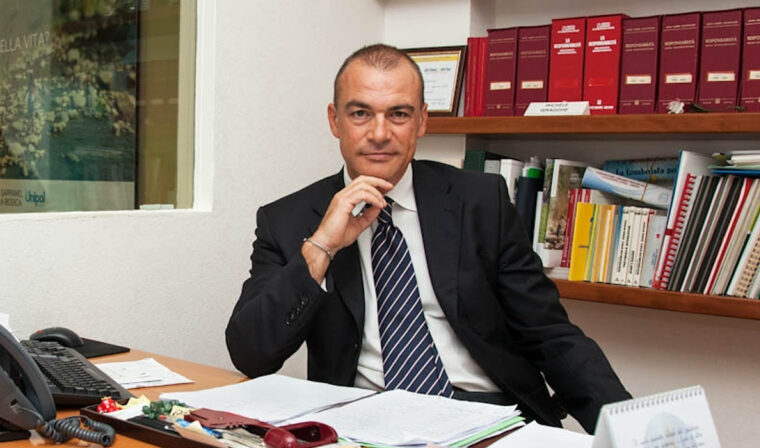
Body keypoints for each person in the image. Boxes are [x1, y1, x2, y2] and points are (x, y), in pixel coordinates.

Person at [226, 43, 630, 433]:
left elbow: (550, 334)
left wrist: (629, 430)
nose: (379, 133)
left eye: (398, 114)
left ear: (422, 120)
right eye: (360, 113)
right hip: (365, 419)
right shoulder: (288, 220)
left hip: (486, 414)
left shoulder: (481, 202)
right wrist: (321, 248)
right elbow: (252, 355)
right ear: (335, 120)